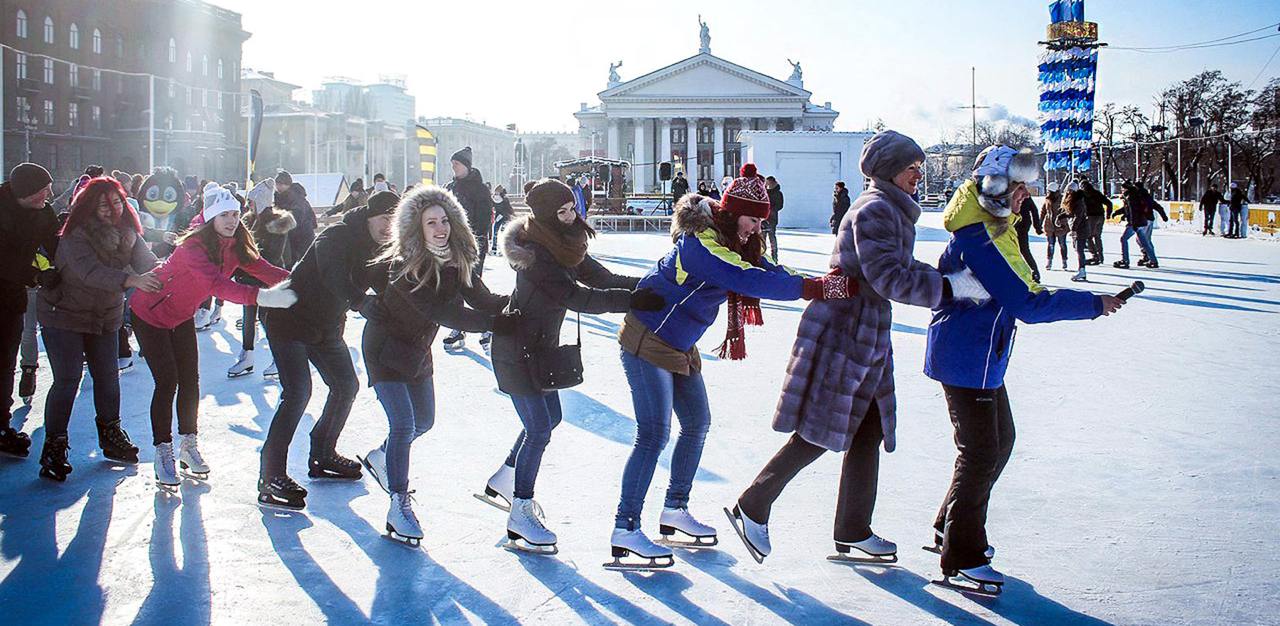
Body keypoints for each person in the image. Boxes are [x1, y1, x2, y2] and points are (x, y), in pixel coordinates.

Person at [729, 135, 986, 567]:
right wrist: (947, 289)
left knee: (867, 428)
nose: (918, 174)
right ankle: (752, 505)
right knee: (819, 428)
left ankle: (853, 529)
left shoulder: (889, 208)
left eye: (919, 166)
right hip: (845, 330)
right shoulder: (875, 210)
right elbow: (888, 276)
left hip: (865, 329)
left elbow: (896, 269)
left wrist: (947, 278)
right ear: (888, 170)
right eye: (912, 167)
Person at [608, 164, 856, 570]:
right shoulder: (702, 245)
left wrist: (819, 281)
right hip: (647, 341)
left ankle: (674, 509)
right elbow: (748, 279)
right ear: (732, 210)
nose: (757, 228)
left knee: (697, 423)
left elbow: (766, 270)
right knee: (653, 435)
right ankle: (625, 527)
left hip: (680, 346)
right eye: (753, 219)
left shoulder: (736, 242)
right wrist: (814, 288)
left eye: (763, 221)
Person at [923, 145, 1125, 593]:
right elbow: (1026, 303)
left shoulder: (998, 228)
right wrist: (1092, 304)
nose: (1024, 198)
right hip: (967, 356)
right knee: (980, 452)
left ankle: (949, 528)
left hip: (982, 354)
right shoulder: (980, 238)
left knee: (999, 442)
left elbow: (1026, 285)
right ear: (995, 188)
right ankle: (962, 555)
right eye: (1017, 189)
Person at [482, 178, 658, 554]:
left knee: (551, 418)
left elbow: (603, 278)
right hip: (516, 348)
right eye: (562, 212)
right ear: (545, 215)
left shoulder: (565, 243)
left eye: (572, 207)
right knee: (540, 428)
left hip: (541, 349)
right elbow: (578, 297)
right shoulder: (536, 255)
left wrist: (652, 284)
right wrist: (635, 301)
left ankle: (506, 476)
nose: (572, 215)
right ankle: (521, 512)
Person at [358, 186, 511, 544]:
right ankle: (398, 504)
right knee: (404, 423)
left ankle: (382, 457)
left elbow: (483, 299)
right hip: (384, 347)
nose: (440, 228)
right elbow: (445, 312)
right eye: (431, 223)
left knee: (424, 421)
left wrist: (522, 304)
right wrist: (495, 324)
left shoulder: (458, 260)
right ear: (417, 227)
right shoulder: (405, 266)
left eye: (444, 220)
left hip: (416, 348)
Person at [130, 184, 295, 488]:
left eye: (235, 214)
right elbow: (217, 285)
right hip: (149, 314)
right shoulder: (193, 247)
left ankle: (188, 446)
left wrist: (297, 281)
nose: (232, 220)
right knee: (167, 381)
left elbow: (262, 268)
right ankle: (162, 450)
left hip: (180, 316)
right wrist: (263, 298)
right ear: (210, 218)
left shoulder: (234, 245)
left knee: (190, 380)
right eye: (225, 215)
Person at [257, 190, 397, 510]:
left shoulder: (382, 248)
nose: (389, 225)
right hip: (288, 319)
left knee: (346, 386)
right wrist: (360, 301)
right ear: (369, 215)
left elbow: (385, 282)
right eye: (384, 218)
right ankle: (270, 475)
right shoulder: (337, 235)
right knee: (298, 393)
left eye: (395, 219)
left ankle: (322, 453)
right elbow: (333, 274)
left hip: (325, 327)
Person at [35, 177, 162, 481]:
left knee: (107, 377)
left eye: (117, 203)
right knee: (67, 380)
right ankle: (54, 445)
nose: (112, 210)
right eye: (103, 205)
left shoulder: (128, 232)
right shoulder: (74, 235)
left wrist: (169, 273)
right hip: (63, 313)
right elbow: (88, 272)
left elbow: (148, 263)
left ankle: (110, 433)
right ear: (89, 207)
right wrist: (130, 280)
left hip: (105, 316)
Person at [0, 163, 60, 458]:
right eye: (41, 191)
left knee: (4, 361)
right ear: (23, 193)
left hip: (10, 299)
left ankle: (1, 425)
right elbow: (5, 261)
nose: (47, 195)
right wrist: (35, 276)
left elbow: (55, 242)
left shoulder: (43, 211)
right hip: (7, 283)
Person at [228, 180, 296, 378]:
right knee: (249, 316)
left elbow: (274, 255)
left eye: (252, 202)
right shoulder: (249, 220)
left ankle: (279, 358)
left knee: (267, 319)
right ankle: (247, 355)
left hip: (268, 279)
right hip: (248, 277)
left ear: (261, 202)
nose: (249, 206)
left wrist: (248, 259)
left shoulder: (277, 221)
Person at [442, 147, 495, 352]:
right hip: (450, 244)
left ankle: (487, 324)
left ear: (466, 165)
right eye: (452, 163)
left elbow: (483, 219)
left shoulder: (479, 189)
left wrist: (474, 241)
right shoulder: (449, 187)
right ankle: (458, 327)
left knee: (472, 285)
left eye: (457, 163)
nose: (453, 166)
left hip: (472, 244)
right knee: (452, 286)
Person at [274, 170, 318, 257]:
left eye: (281, 184)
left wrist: (276, 226)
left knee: (302, 260)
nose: (278, 187)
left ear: (288, 185)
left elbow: (297, 216)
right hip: (290, 234)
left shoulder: (296, 197)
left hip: (302, 234)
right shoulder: (279, 197)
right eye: (277, 184)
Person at [1064, 181, 1090, 282]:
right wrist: (1061, 216)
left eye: (1069, 190)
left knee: (1079, 250)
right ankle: (1082, 270)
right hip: (1080, 228)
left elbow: (1078, 216)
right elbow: (1071, 213)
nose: (1067, 192)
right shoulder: (1075, 200)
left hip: (1081, 229)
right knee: (1078, 249)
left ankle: (1082, 270)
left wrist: (1074, 229)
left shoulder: (1078, 201)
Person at [1080, 179, 1112, 264]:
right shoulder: (1097, 193)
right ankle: (1101, 256)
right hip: (1100, 216)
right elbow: (1109, 203)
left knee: (1089, 236)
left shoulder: (1083, 195)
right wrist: (1108, 214)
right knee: (1097, 236)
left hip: (1091, 217)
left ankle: (1095, 256)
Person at [1014, 194, 1042, 282]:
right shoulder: (1023, 194)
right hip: (1021, 224)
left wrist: (1037, 227)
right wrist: (1037, 226)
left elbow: (1034, 210)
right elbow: (1034, 210)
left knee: (1020, 249)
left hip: (1018, 224)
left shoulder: (1013, 192)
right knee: (1023, 250)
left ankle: (1034, 272)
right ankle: (1034, 272)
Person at [1041, 182, 1069, 271]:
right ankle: (1049, 262)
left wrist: (1063, 222)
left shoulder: (1062, 199)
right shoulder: (1047, 199)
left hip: (1061, 226)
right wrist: (1039, 222)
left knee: (1062, 244)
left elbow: (1067, 211)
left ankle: (1064, 261)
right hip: (1049, 226)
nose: (1048, 193)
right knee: (1051, 245)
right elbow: (1043, 211)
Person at [764, 175, 784, 263]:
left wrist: (771, 210)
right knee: (762, 238)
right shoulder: (764, 192)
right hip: (764, 219)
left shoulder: (778, 193)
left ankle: (774, 257)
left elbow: (780, 205)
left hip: (772, 219)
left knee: (772, 238)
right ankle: (762, 256)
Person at [491, 185, 515, 256]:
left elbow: (507, 210)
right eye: (495, 193)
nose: (495, 195)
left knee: (503, 233)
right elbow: (491, 206)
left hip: (505, 218)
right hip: (498, 218)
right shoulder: (493, 199)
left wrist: (502, 216)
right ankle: (494, 248)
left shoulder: (505, 200)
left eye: (497, 193)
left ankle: (503, 250)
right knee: (495, 231)